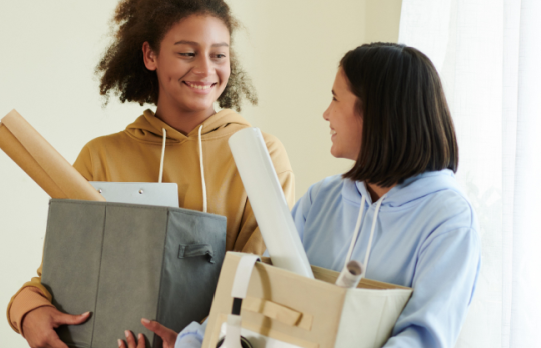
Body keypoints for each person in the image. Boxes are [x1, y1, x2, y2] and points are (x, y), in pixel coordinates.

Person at [5, 0, 296, 348]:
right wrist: (28, 312)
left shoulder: (261, 155)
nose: (206, 69)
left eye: (219, 54)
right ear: (150, 56)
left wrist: (192, 342)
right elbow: (59, 276)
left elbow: (263, 280)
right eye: (188, 53)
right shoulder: (101, 156)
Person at [174, 42, 481, 348]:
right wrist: (190, 342)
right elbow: (268, 299)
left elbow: (422, 338)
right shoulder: (321, 198)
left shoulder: (449, 220)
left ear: (375, 112)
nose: (325, 113)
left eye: (335, 98)